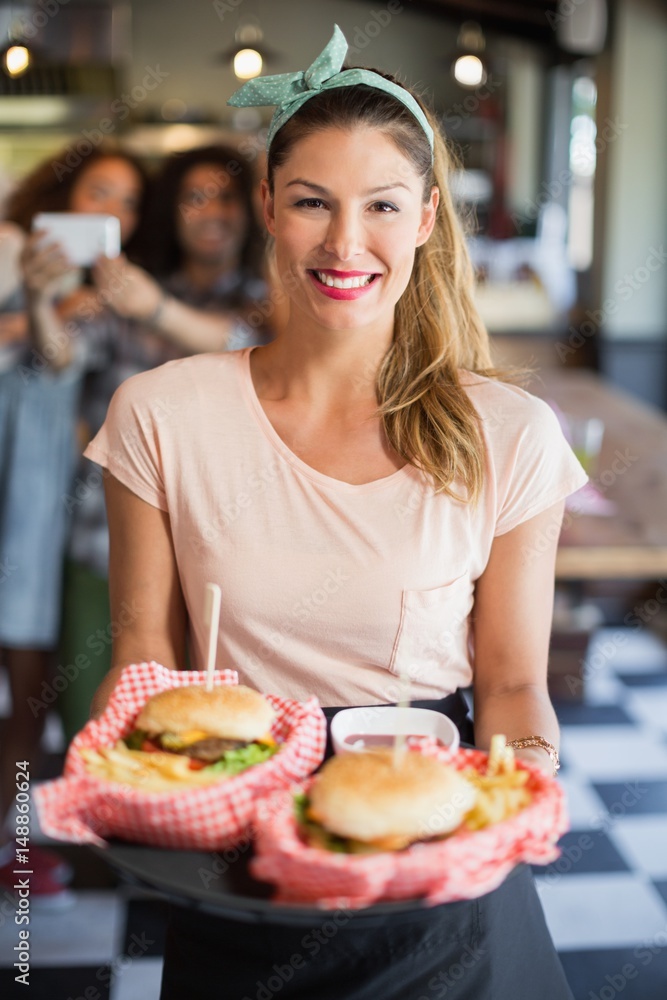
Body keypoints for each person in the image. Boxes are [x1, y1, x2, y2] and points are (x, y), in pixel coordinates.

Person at [85, 27, 586, 1000]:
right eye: (312, 202)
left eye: (382, 207)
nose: (344, 243)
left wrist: (514, 792)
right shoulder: (159, 413)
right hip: (239, 859)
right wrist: (126, 780)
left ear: (429, 218)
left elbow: (515, 682)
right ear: (267, 206)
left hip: (439, 863)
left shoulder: (513, 435)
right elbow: (143, 656)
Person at [24, 144, 272, 744]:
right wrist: (38, 300)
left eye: (226, 196)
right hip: (103, 544)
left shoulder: (275, 298)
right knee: (100, 726)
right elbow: (59, 357)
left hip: (232, 556)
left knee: (213, 735)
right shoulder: (126, 291)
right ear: (171, 212)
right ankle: (52, 839)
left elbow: (244, 340)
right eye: (194, 196)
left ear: (252, 211)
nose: (211, 209)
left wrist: (154, 308)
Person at [0, 145, 148, 908]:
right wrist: (37, 306)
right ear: (62, 192)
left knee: (28, 711)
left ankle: (13, 856)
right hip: (19, 512)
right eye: (98, 192)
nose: (110, 216)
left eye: (126, 203)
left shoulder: (101, 301)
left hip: (36, 527)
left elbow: (60, 368)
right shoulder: (12, 249)